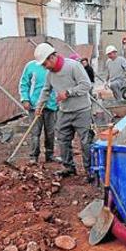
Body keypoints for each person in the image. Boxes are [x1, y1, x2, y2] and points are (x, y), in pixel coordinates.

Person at [34, 43, 95, 181]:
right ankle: (69, 167)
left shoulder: (73, 66)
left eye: (45, 64)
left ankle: (90, 171)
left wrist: (68, 93)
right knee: (62, 140)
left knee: (86, 141)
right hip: (64, 111)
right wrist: (39, 106)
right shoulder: (50, 74)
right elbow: (46, 90)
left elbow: (86, 85)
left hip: (82, 111)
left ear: (52, 57)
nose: (44, 67)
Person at [18, 58, 58, 164]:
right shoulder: (30, 66)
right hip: (35, 104)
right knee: (35, 132)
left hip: (51, 103)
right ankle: (33, 156)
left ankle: (50, 155)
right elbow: (24, 83)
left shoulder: (53, 66)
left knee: (50, 132)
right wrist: (25, 99)